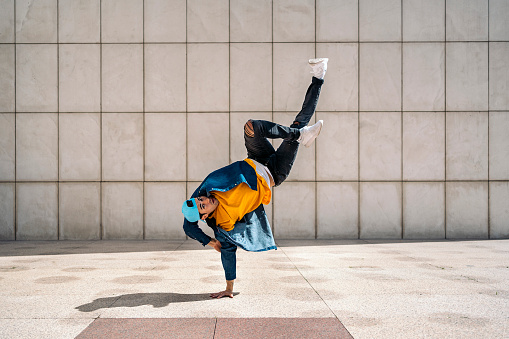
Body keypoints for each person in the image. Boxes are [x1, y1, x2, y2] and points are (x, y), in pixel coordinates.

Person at [182, 58, 328, 298]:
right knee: (300, 122)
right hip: (274, 172)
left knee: (251, 126)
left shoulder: (208, 188)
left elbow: (187, 220)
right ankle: (319, 76)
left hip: (256, 159)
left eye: (200, 200)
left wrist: (194, 204)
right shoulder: (224, 225)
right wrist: (211, 246)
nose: (203, 200)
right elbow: (204, 236)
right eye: (202, 206)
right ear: (206, 216)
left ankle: (300, 135)